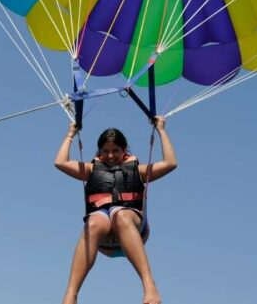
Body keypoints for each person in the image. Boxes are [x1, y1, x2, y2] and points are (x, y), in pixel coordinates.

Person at [54, 118, 177, 304]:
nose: (110, 155)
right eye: (105, 151)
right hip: (103, 237)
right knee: (93, 222)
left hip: (132, 227)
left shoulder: (139, 171)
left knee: (119, 214)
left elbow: (170, 163)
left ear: (124, 150)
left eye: (115, 151)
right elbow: (60, 162)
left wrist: (161, 130)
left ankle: (149, 285)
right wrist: (70, 134)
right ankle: (71, 295)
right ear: (99, 152)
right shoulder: (90, 170)